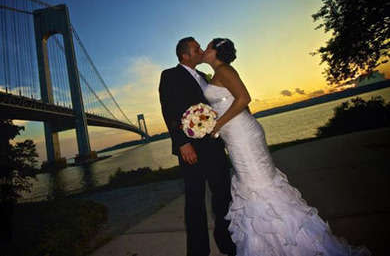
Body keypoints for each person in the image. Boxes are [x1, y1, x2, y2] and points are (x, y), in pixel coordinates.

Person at [202, 38, 372, 256]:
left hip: (242, 135)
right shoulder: (218, 74)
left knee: (259, 185)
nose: (205, 50)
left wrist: (220, 123)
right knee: (254, 183)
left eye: (207, 47)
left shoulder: (224, 70)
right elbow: (235, 102)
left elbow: (244, 98)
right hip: (237, 135)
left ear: (216, 52)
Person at [158, 37, 236, 256]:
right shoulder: (170, 75)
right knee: (195, 201)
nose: (201, 50)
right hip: (191, 150)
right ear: (185, 56)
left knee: (222, 195)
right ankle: (198, 251)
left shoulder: (204, 76)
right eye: (196, 49)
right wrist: (182, 143)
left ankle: (227, 241)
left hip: (214, 146)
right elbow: (169, 110)